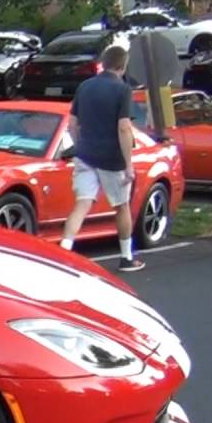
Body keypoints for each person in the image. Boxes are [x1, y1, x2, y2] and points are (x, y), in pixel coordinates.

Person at [58, 45, 145, 272]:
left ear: (103, 63)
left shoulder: (85, 86)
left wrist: (79, 146)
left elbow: (73, 123)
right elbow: (124, 128)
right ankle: (126, 257)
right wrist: (129, 165)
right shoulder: (122, 90)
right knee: (121, 206)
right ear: (123, 66)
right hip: (111, 158)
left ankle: (64, 251)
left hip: (85, 155)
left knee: (82, 204)